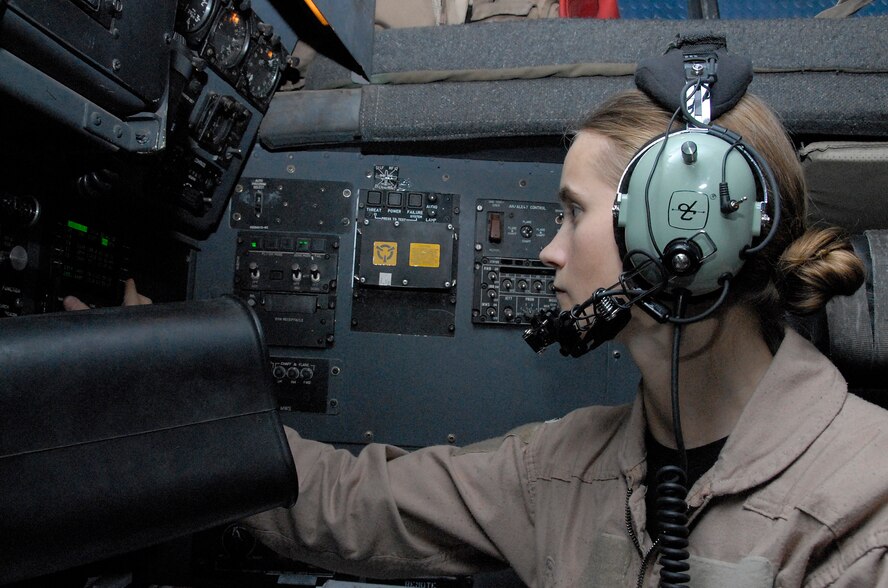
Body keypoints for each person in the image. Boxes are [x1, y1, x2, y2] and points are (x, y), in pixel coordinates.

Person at [237, 85, 888, 587]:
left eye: (575, 212)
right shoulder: (561, 466)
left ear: (683, 234)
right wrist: (171, 420)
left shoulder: (864, 503)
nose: (549, 251)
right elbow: (352, 502)